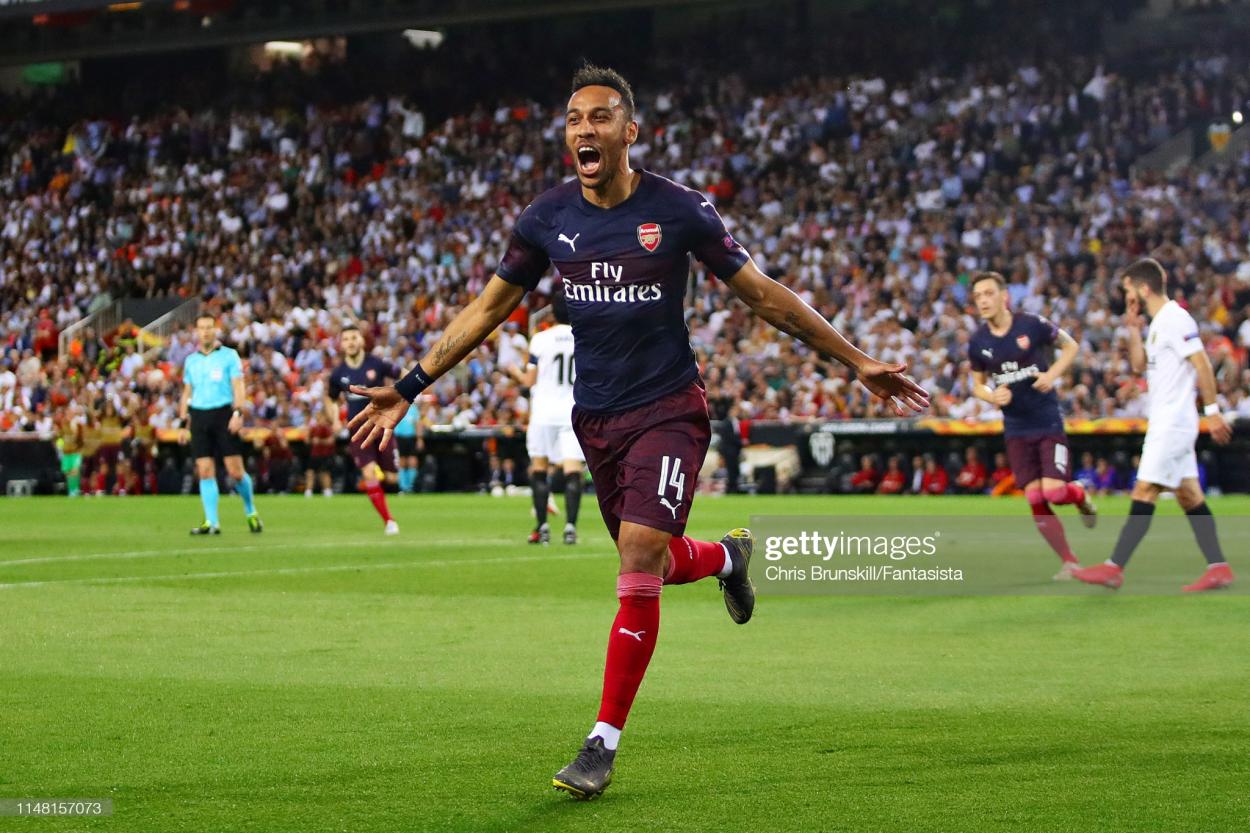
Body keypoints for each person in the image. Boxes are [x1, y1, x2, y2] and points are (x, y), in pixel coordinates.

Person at [346, 64, 927, 799]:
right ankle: (726, 557)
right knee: (642, 559)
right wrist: (408, 385)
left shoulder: (680, 210)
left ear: (630, 130)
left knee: (639, 554)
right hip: (596, 418)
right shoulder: (545, 217)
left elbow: (764, 296)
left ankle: (602, 741)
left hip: (669, 406)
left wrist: (855, 359)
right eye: (573, 120)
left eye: (599, 117)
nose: (583, 129)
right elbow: (487, 310)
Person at [1072, 258, 1235, 591]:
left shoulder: (1175, 318)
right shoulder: (1158, 323)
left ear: (1143, 288)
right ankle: (1218, 567)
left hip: (1173, 422)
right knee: (1190, 495)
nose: (1127, 297)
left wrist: (1214, 410)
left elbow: (1202, 363)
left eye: (1129, 290)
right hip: (1166, 418)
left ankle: (1114, 566)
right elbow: (1138, 366)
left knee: (1144, 489)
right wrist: (1133, 328)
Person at [968, 271, 1095, 579]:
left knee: (1053, 493)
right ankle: (1069, 560)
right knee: (1035, 498)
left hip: (1046, 420)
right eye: (978, 297)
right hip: (1015, 427)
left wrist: (1051, 376)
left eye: (988, 294)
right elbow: (977, 385)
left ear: (1004, 296)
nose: (983, 301)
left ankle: (1078, 494)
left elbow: (1071, 346)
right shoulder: (978, 342)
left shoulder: (1031, 325)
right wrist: (991, 395)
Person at [510, 292, 585, 545]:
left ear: (552, 313)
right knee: (573, 472)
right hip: (573, 411)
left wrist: (513, 371)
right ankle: (570, 528)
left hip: (543, 411)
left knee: (539, 469)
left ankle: (542, 527)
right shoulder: (584, 337)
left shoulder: (540, 339)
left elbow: (529, 381)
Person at [179, 314, 262, 535]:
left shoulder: (229, 356)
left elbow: (238, 387)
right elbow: (187, 392)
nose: (205, 332)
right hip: (198, 415)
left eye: (209, 327)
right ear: (196, 331)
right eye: (201, 328)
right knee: (205, 471)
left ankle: (250, 510)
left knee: (235, 472)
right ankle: (212, 522)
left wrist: (237, 413)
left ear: (215, 330)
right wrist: (182, 422)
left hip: (223, 414)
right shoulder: (191, 360)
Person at [325, 326, 401, 535]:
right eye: (346, 338)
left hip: (381, 426)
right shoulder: (338, 373)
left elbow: (400, 374)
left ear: (361, 341)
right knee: (369, 474)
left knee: (392, 478)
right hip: (358, 430)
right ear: (341, 344)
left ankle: (380, 473)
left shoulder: (376, 363)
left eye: (353, 338)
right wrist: (334, 419)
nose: (350, 342)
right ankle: (389, 521)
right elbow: (330, 398)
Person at [305, 409, 336, 498]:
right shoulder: (313, 428)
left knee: (325, 473)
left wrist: (320, 441)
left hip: (325, 454)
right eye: (317, 417)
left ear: (324, 418)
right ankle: (308, 491)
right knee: (310, 472)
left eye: (319, 417)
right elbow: (307, 441)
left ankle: (327, 491)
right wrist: (308, 435)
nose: (318, 419)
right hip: (314, 454)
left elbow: (331, 441)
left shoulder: (326, 428)